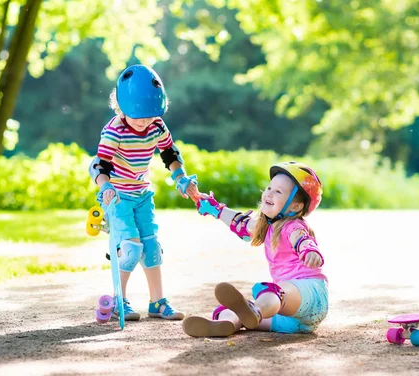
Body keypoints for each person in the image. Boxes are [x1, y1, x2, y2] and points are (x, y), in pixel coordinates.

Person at [89, 64, 199, 321]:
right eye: (138, 117)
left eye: (150, 116)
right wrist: (105, 186)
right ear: (121, 107)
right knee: (130, 249)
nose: (144, 122)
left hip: (142, 193)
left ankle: (157, 302)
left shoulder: (156, 125)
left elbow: (169, 153)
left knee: (151, 247)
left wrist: (180, 178)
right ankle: (120, 301)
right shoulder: (114, 130)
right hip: (117, 195)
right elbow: (100, 164)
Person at [182, 161, 328, 336]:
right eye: (269, 188)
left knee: (273, 292)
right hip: (291, 320)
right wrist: (214, 208)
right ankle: (225, 322)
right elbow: (242, 224)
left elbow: (301, 239)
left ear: (295, 206)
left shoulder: (293, 226)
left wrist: (309, 250)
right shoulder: (267, 226)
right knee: (233, 310)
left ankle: (255, 310)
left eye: (278, 192)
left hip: (311, 295)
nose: (269, 193)